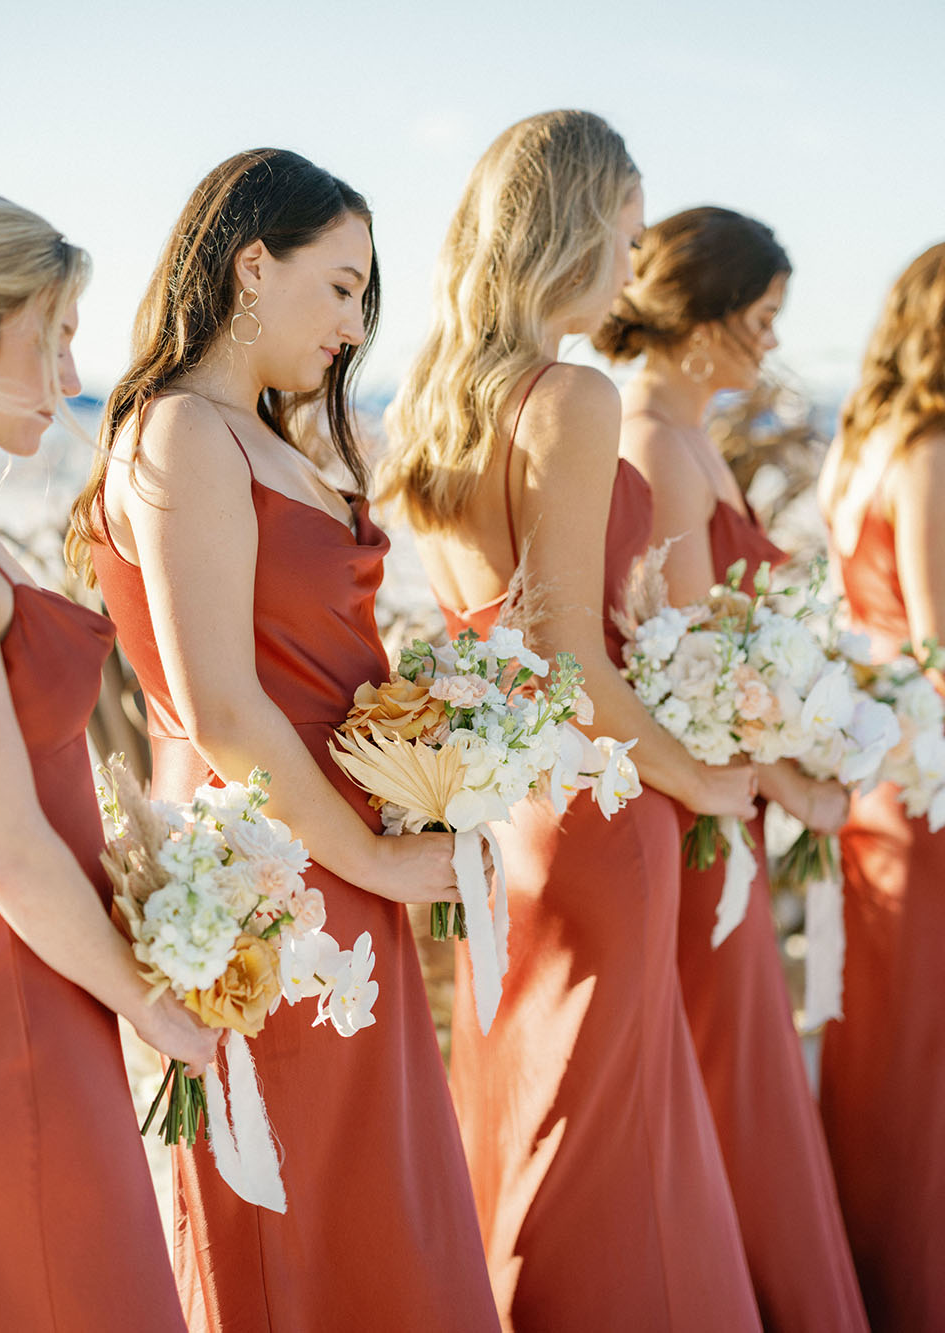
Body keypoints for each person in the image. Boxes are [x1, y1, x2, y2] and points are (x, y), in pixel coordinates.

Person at [67, 148, 500, 1333]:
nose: (355, 325)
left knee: (379, 1204)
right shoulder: (179, 434)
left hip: (333, 869)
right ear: (253, 265)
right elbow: (220, 705)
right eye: (342, 285)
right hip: (273, 886)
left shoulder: (261, 436)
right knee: (298, 1228)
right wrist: (372, 864)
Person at [381, 110, 762, 1332]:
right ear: (572, 229)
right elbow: (566, 658)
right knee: (617, 1145)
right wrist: (701, 781)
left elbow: (495, 643)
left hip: (500, 822)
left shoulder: (435, 399)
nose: (633, 263)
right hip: (598, 810)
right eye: (625, 233)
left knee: (530, 1112)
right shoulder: (571, 394)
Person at [0, 187, 218, 1332]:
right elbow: (1, 839)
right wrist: (148, 1001)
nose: (69, 372)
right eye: (49, 334)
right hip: (10, 982)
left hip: (40, 966)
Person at [596, 205, 868, 1331]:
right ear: (700, 318)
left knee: (748, 1076)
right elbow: (694, 670)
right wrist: (797, 777)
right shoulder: (655, 441)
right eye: (757, 320)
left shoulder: (690, 428)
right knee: (732, 1077)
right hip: (708, 805)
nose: (769, 344)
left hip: (732, 801)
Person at [817, 241, 945, 1332]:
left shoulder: (857, 444)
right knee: (921, 1042)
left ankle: (860, 1252)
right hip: (927, 778)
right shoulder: (931, 449)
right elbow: (940, 639)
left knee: (882, 1028)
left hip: (874, 765)